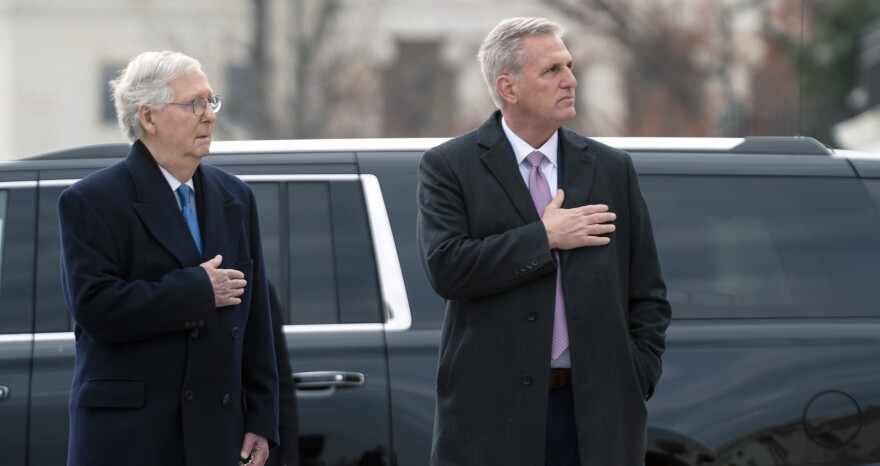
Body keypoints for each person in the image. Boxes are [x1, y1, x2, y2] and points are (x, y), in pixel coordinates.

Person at [416, 17, 672, 466]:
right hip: (491, 418)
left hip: (597, 414)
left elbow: (647, 291)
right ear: (508, 88)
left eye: (569, 66)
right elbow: (447, 267)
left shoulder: (612, 169)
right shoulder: (449, 167)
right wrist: (545, 236)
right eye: (552, 70)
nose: (571, 80)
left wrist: (637, 375)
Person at [59, 51, 279, 466]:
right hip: (130, 439)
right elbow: (95, 307)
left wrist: (262, 419)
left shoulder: (235, 197)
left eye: (211, 102)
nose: (209, 116)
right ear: (148, 117)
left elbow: (255, 324)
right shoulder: (91, 201)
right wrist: (197, 290)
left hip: (216, 435)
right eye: (193, 104)